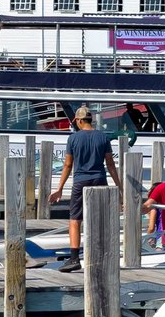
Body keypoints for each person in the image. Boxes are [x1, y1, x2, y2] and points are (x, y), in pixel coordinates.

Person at [49, 105, 123, 271]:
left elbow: (68, 164)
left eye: (77, 122)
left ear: (80, 121)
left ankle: (74, 258)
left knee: (75, 219)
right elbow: (110, 164)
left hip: (81, 181)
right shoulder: (103, 137)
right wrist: (119, 187)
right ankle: (103, 255)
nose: (76, 124)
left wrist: (59, 188)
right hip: (99, 179)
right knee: (100, 218)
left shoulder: (73, 139)